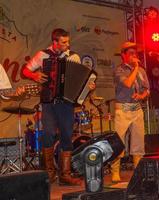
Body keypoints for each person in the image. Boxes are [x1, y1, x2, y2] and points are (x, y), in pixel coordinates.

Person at [23, 28, 95, 185]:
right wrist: (35, 75)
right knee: (48, 134)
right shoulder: (43, 55)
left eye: (68, 41)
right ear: (54, 42)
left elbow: (80, 78)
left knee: (66, 136)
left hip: (66, 103)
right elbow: (25, 70)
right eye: (64, 42)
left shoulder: (73, 56)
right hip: (48, 102)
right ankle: (49, 173)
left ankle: (65, 175)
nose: (67, 45)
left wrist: (88, 85)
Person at [112, 41, 150, 182]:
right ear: (123, 55)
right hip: (123, 109)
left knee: (138, 141)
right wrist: (135, 68)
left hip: (137, 109)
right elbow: (128, 84)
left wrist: (141, 95)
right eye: (131, 53)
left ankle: (138, 171)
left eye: (136, 53)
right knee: (119, 141)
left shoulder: (142, 71)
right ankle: (115, 171)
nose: (134, 56)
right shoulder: (119, 70)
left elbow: (147, 89)